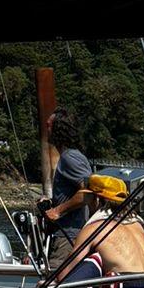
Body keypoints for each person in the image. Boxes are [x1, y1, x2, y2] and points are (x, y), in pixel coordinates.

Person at [41, 109, 94, 254]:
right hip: (67, 233)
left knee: (58, 275)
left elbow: (88, 193)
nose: (47, 130)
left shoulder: (70, 158)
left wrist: (57, 211)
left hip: (69, 236)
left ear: (59, 129)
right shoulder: (70, 156)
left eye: (49, 126)